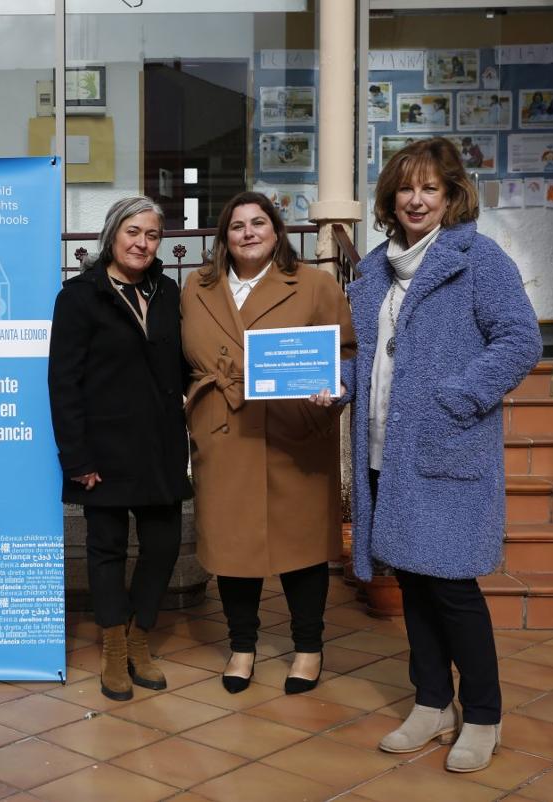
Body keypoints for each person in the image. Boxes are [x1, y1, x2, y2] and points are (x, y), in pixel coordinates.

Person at [346, 137, 540, 773]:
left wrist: (458, 397)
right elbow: (366, 357)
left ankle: (482, 713)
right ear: (390, 198)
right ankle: (431, 702)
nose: (416, 199)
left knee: (453, 588)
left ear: (452, 195)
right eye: (406, 188)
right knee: (413, 584)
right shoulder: (374, 269)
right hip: (386, 449)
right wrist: (338, 388)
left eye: (430, 188)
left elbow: (520, 341)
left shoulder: (478, 259)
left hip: (447, 447)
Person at [181, 191, 355, 696]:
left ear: (277, 233)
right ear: (224, 238)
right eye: (237, 226)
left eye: (260, 223)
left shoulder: (315, 285)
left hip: (294, 430)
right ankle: (242, 646)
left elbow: (347, 352)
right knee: (234, 546)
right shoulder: (197, 287)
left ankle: (307, 648)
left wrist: (336, 388)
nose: (249, 232)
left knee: (301, 546)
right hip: (225, 430)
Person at [48, 196, 191, 701]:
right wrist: (77, 458)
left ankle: (139, 638)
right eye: (133, 232)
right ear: (112, 235)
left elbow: (184, 365)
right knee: (106, 551)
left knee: (162, 547)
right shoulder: (79, 296)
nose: (142, 243)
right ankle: (112, 651)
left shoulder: (169, 291)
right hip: (102, 450)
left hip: (160, 446)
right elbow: (62, 383)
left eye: (152, 235)